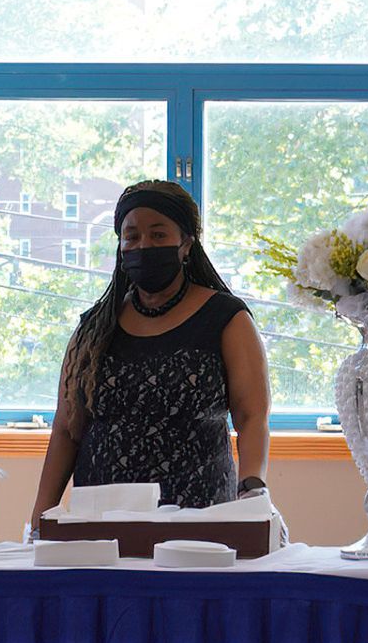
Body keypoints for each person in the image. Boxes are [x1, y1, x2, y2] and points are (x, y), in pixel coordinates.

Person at [31, 180, 271, 525]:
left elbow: (251, 417)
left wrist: (252, 488)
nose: (144, 245)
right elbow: (67, 429)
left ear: (186, 243)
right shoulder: (96, 326)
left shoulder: (227, 319)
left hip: (198, 518)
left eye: (158, 235)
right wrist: (40, 518)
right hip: (100, 519)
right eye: (132, 237)